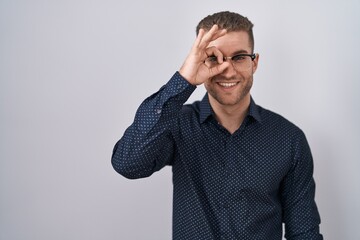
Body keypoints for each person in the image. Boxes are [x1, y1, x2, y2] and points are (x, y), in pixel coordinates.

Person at [112, 11, 323, 240]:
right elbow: (127, 163)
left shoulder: (289, 139)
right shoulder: (178, 124)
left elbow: (304, 233)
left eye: (239, 57)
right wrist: (183, 80)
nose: (227, 70)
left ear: (255, 62)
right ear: (199, 61)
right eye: (215, 58)